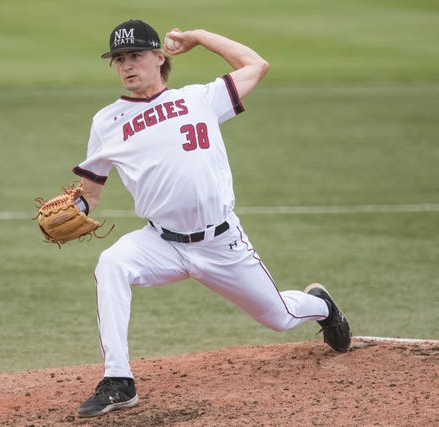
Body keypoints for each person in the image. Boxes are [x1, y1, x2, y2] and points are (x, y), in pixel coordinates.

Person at [70, 19, 351, 418]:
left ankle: (323, 308)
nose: (127, 65)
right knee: (111, 263)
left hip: (221, 244)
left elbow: (257, 65)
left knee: (280, 317)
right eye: (119, 59)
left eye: (135, 55)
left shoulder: (200, 98)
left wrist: (199, 38)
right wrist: (77, 209)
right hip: (160, 244)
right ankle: (119, 380)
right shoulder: (106, 122)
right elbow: (90, 194)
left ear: (158, 58)